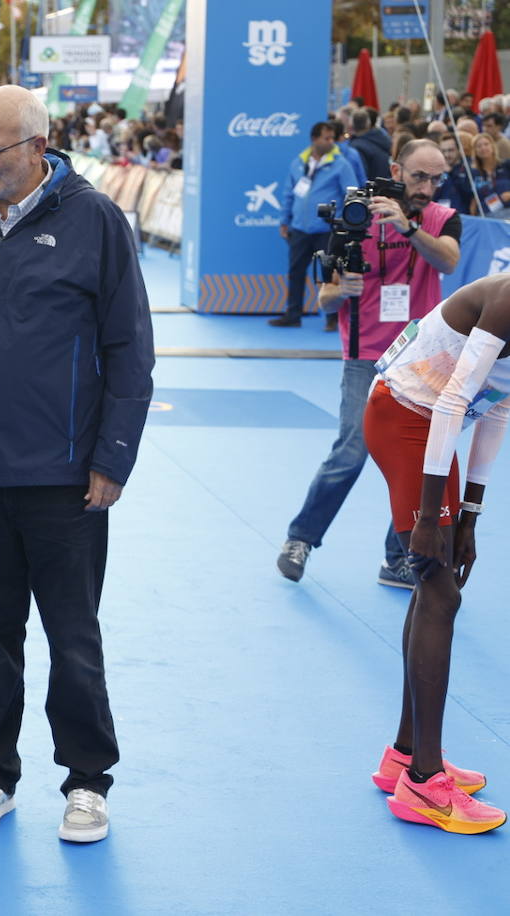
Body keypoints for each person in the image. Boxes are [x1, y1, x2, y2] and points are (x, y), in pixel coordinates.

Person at [0, 86, 154, 843]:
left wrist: (113, 457)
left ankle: (87, 782)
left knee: (72, 637)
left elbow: (130, 350)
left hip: (65, 477)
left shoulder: (96, 221)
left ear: (38, 146)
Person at [362, 273, 510, 835]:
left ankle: (404, 755)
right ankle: (424, 782)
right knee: (440, 592)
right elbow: (452, 399)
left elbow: (495, 407)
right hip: (405, 417)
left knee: (435, 590)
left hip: (431, 427)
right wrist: (430, 517)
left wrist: (471, 514)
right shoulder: (507, 298)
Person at [276, 140, 460, 589]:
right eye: (419, 176)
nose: (427, 187)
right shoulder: (355, 217)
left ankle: (397, 559)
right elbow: (324, 298)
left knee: (419, 461)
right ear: (397, 170)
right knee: (351, 452)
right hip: (365, 356)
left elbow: (449, 261)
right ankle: (299, 539)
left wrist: (410, 229)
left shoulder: (441, 218)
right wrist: (344, 291)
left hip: (421, 359)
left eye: (437, 178)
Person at [273, 121, 358, 327]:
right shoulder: (298, 163)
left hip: (327, 230)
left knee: (330, 274)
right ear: (314, 139)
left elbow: (352, 194)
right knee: (296, 272)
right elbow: (288, 193)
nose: (330, 142)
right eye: (326, 138)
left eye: (332, 138)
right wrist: (285, 220)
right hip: (300, 228)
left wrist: (347, 225)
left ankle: (332, 319)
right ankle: (293, 315)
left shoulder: (341, 164)